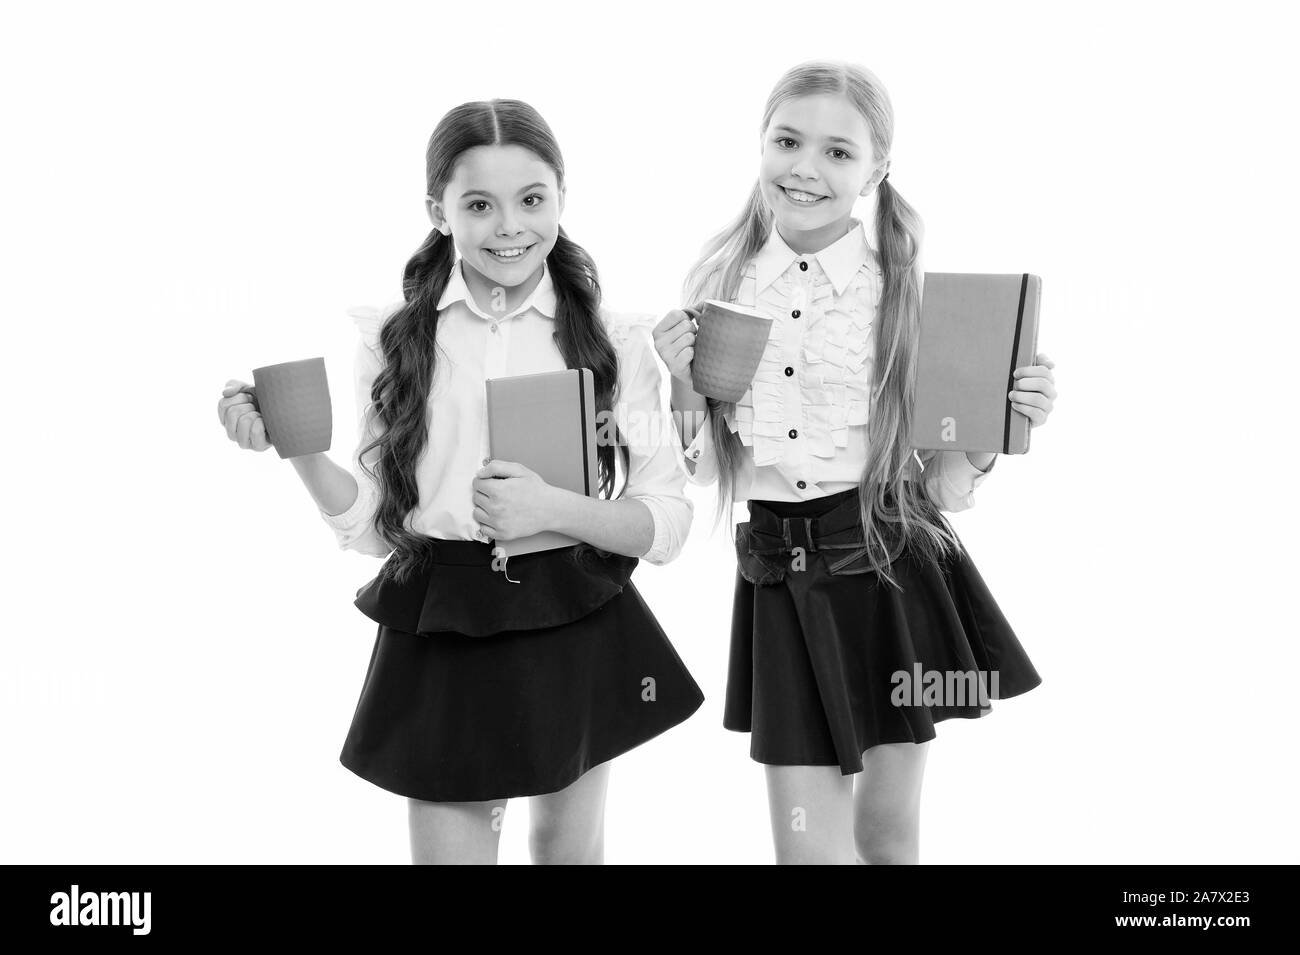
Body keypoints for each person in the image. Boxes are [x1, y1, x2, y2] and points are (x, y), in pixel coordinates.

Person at [218, 99, 703, 865]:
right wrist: (300, 451)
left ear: (562, 198)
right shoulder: (395, 340)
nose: (509, 225)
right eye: (478, 204)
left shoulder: (617, 339)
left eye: (532, 199)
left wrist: (551, 508)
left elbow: (668, 520)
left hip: (572, 611)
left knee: (564, 853)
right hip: (444, 616)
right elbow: (379, 529)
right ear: (437, 212)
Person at [653, 61, 1057, 864]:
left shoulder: (906, 294)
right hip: (779, 576)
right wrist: (681, 384)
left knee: (885, 832)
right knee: (808, 850)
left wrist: (995, 427)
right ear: (760, 146)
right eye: (788, 141)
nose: (806, 167)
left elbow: (941, 483)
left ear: (876, 171)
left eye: (838, 152)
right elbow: (699, 471)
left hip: (893, 569)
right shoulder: (717, 283)